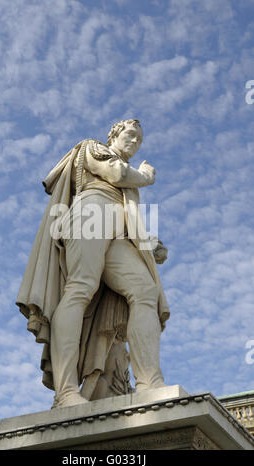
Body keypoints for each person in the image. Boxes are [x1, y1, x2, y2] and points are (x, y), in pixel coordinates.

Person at [16, 119, 170, 408]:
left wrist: (150, 243)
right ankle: (66, 392)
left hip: (118, 228)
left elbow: (128, 212)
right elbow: (116, 173)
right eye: (131, 135)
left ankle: (149, 383)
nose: (135, 142)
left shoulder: (127, 181)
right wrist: (146, 176)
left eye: (140, 140)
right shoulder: (93, 147)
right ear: (115, 133)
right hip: (91, 211)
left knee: (145, 291)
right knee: (81, 288)